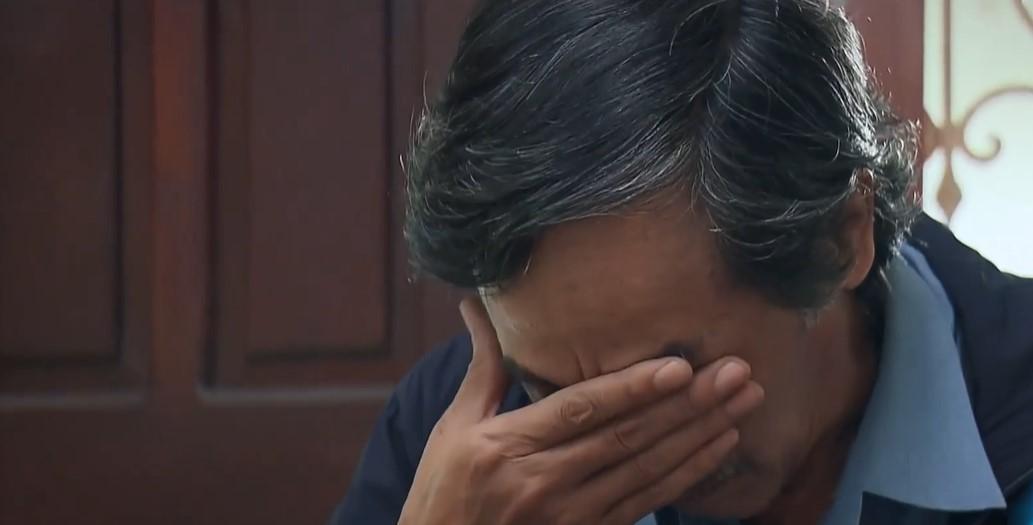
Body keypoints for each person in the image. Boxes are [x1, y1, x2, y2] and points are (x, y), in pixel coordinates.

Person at [329, 0, 1033, 523]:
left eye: (665, 383)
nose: (614, 451)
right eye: (553, 392)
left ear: (840, 236)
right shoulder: (460, 450)